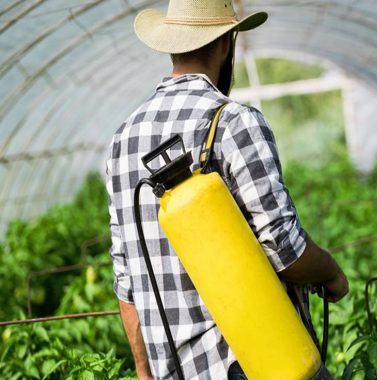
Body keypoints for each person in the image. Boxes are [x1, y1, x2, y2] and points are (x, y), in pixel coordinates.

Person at [105, 0, 349, 379]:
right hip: (251, 364)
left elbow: (126, 279)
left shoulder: (121, 141)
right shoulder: (234, 121)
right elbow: (283, 247)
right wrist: (330, 271)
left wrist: (144, 370)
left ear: (171, 44)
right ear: (225, 43)